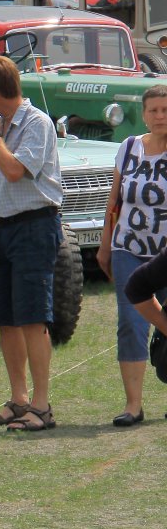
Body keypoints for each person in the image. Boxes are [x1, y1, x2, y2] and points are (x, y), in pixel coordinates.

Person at [0, 54, 62, 432]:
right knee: (5, 319)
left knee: (32, 318)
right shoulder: (3, 124)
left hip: (35, 228)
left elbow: (13, 172)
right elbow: (2, 188)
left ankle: (41, 407)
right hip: (7, 228)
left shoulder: (36, 123)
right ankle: (18, 399)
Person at [97, 86, 167, 425]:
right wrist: (105, 244)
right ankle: (133, 405)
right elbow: (115, 200)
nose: (160, 116)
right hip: (129, 248)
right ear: (143, 114)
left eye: (166, 110)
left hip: (165, 255)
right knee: (130, 321)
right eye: (153, 110)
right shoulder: (128, 148)